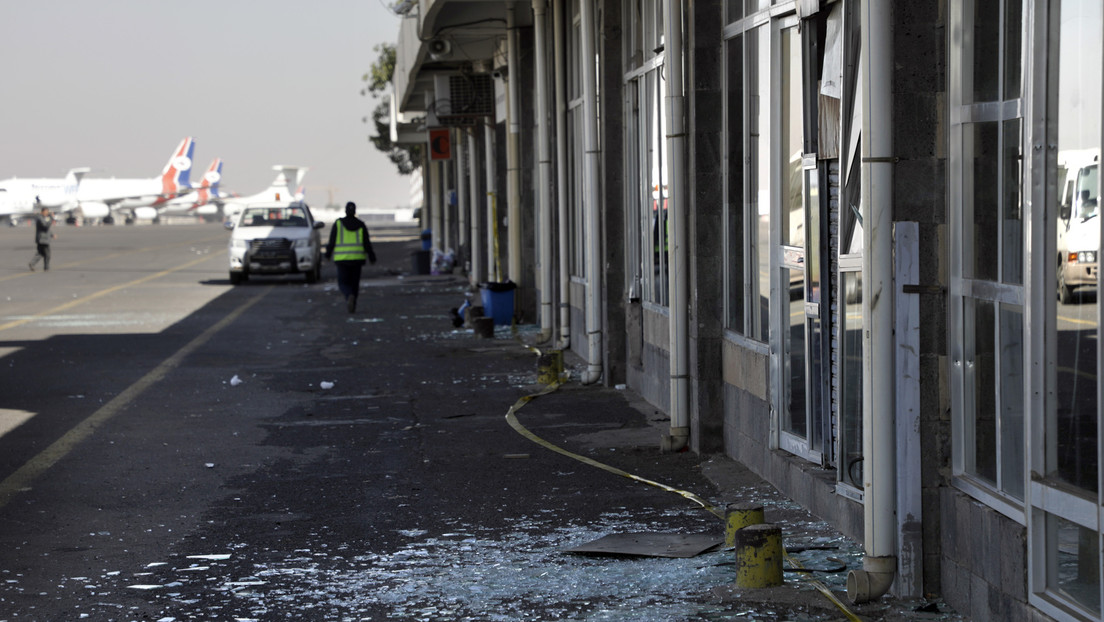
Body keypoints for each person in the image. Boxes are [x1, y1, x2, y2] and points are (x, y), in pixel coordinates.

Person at [325, 201, 376, 313]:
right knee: (355, 283)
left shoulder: (338, 224)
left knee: (343, 283)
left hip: (342, 259)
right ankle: (353, 299)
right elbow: (366, 243)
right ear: (355, 211)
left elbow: (332, 241)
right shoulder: (361, 224)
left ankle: (348, 296)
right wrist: (371, 256)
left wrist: (328, 254)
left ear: (345, 210)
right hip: (357, 259)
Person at [28, 207, 57, 271]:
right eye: (46, 212)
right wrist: (51, 218)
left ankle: (32, 263)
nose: (47, 213)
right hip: (42, 239)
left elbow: (47, 229)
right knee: (47, 254)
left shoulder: (44, 218)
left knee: (40, 253)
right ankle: (46, 267)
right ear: (42, 212)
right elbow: (46, 226)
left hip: (44, 238)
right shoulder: (40, 218)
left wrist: (52, 235)